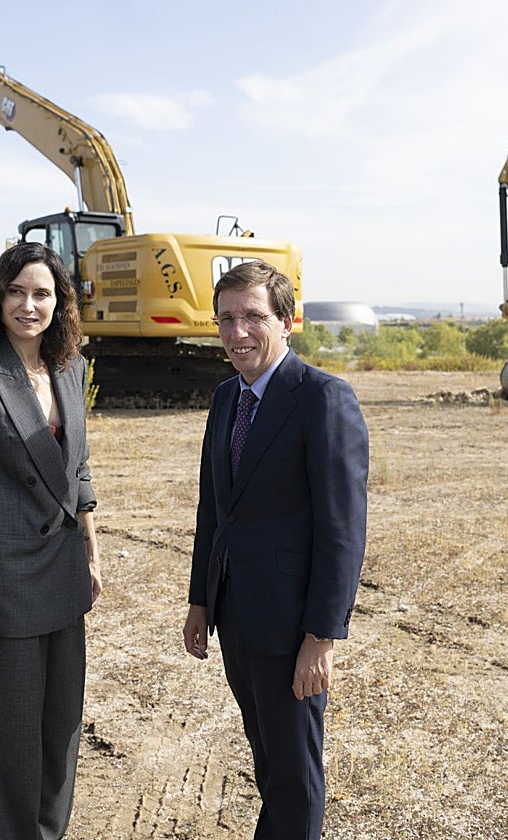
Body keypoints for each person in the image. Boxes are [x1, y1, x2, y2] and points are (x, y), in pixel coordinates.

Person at [182, 260, 368, 840]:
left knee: (294, 779)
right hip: (237, 616)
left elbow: (342, 531)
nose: (238, 333)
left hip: (292, 627)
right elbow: (214, 508)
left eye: (254, 317)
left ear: (288, 321)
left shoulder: (323, 399)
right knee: (270, 765)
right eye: (226, 319)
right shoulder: (224, 399)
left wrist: (321, 636)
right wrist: (199, 601)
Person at [0, 242, 102, 840]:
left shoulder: (72, 368)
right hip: (0, 588)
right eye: (17, 292)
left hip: (62, 576)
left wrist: (91, 549)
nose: (29, 306)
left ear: (60, 304)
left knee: (59, 735)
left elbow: (77, 470)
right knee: (6, 741)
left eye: (42, 294)